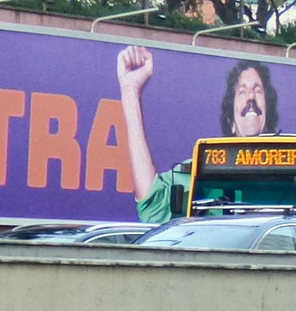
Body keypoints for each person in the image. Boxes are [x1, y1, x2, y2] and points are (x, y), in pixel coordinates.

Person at [113, 48, 281, 225]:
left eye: (258, 90)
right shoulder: (203, 171)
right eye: (242, 91)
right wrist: (130, 91)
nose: (251, 97)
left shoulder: (292, 172)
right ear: (231, 121)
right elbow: (152, 206)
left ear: (268, 115)